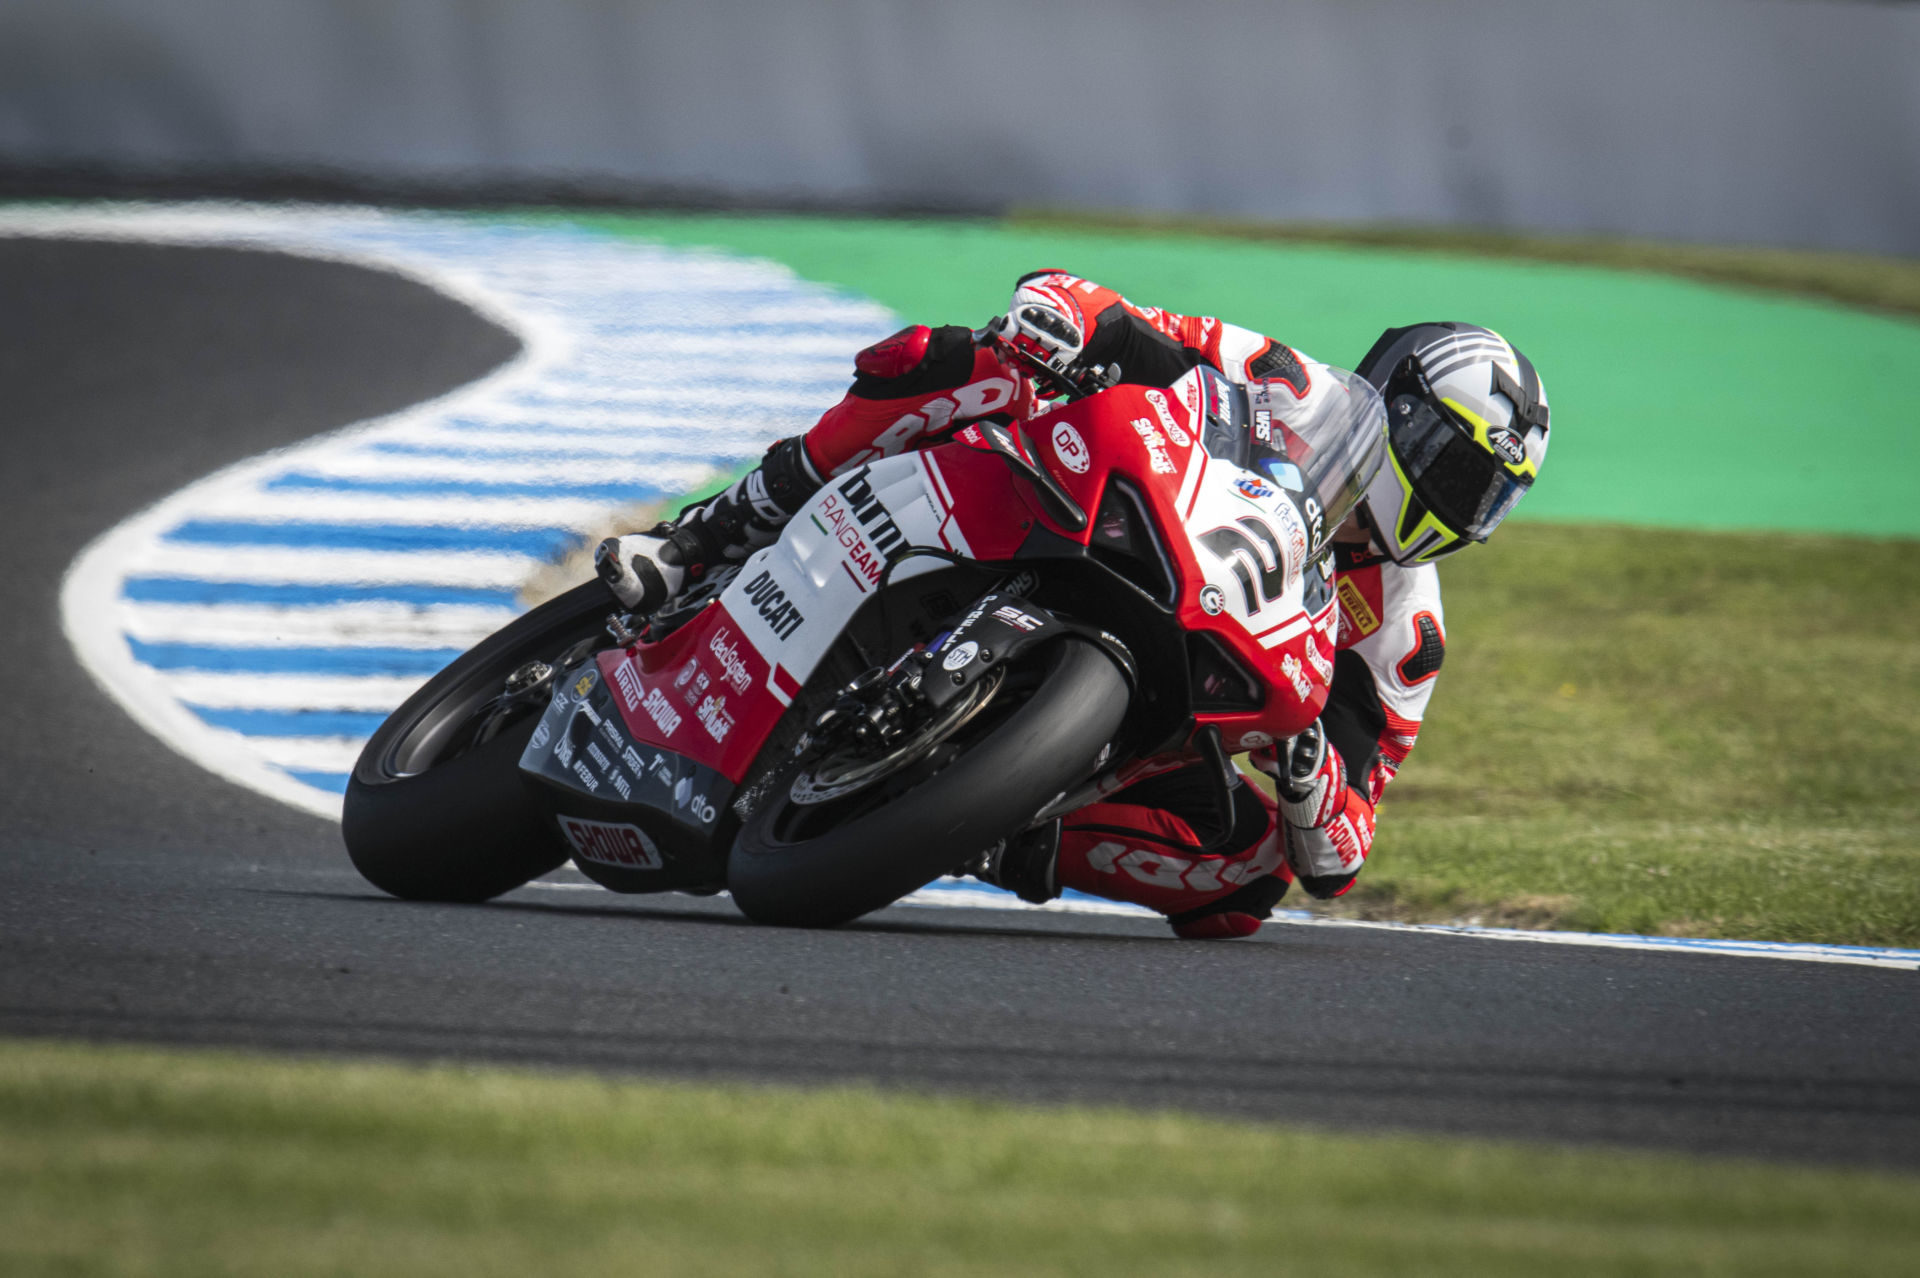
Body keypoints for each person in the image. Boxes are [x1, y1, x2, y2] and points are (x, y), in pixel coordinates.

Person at [598, 272, 1551, 939]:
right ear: (1401, 413)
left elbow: (1343, 851)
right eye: (1457, 469)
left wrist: (1306, 765)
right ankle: (709, 534)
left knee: (1248, 879)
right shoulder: (1293, 387)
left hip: (1166, 701)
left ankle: (988, 823)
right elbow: (1139, 326)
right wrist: (1071, 317)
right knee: (965, 360)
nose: (1459, 507)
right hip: (1090, 511)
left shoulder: (1406, 633)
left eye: (1487, 496)